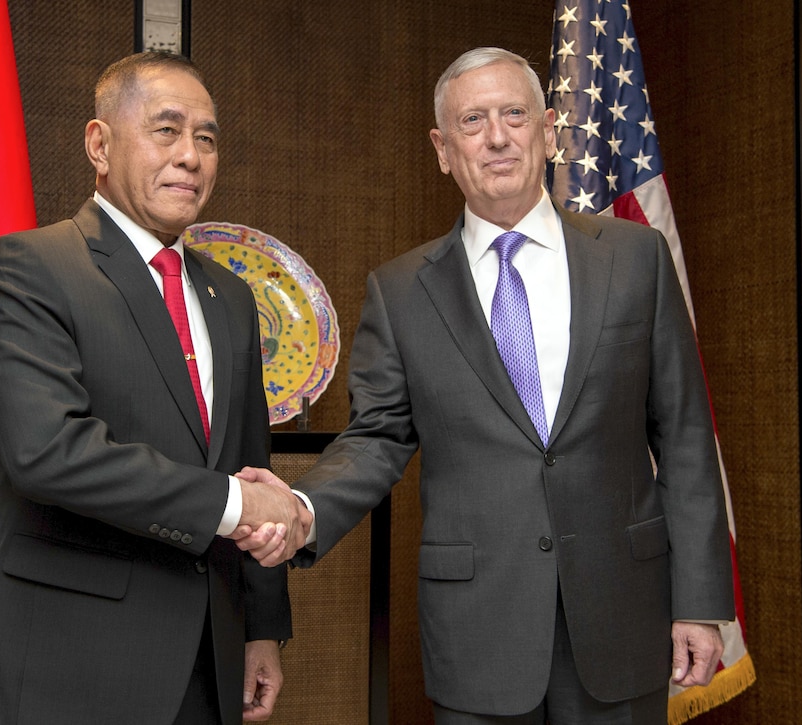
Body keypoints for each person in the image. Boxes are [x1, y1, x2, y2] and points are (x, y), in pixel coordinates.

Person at [234, 47, 735, 724]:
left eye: (514, 114)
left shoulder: (635, 258)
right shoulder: (401, 290)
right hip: (478, 632)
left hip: (623, 616)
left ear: (550, 129)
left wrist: (700, 601)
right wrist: (302, 507)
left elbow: (682, 437)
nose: (497, 136)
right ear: (443, 148)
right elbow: (377, 437)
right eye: (473, 120)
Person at [0, 51, 311, 724]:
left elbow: (248, 460)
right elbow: (48, 450)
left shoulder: (230, 295)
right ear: (100, 144)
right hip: (67, 663)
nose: (192, 156)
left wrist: (262, 625)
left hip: (208, 660)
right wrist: (234, 502)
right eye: (166, 130)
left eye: (206, 137)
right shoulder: (30, 266)